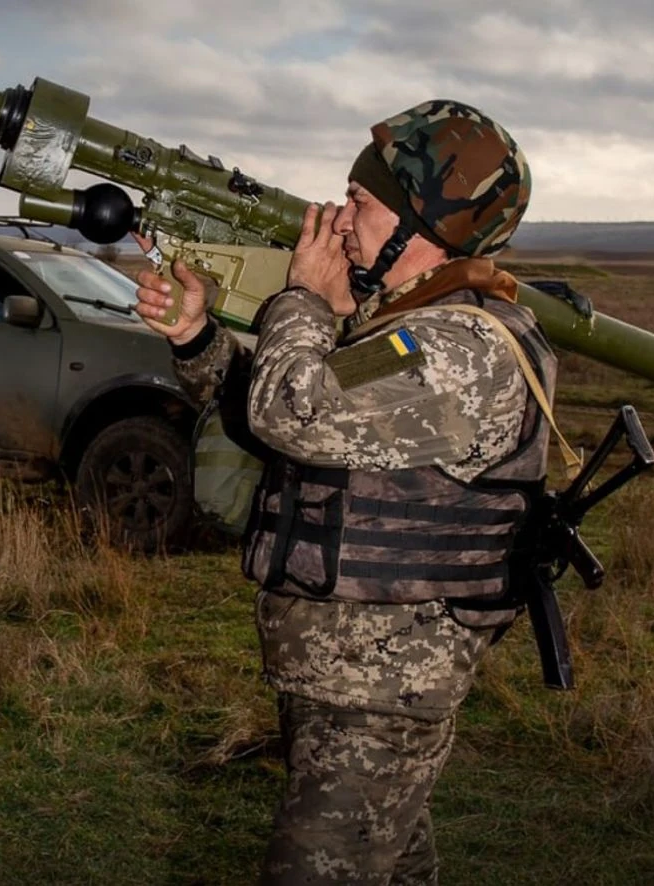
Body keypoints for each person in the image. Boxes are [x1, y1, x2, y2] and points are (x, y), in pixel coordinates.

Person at [133, 100, 549, 884]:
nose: (338, 214)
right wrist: (196, 337)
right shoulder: (409, 331)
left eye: (360, 200)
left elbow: (296, 410)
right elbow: (286, 415)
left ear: (423, 221)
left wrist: (308, 301)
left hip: (382, 693)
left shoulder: (458, 348)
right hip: (345, 674)